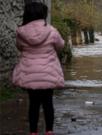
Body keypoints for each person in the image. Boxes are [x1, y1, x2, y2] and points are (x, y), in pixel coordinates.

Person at [12, 2, 65, 135]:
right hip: (48, 73)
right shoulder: (52, 30)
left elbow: (19, 47)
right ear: (43, 14)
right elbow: (60, 46)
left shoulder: (21, 32)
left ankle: (33, 132)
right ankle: (49, 131)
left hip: (30, 73)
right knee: (48, 103)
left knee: (33, 104)